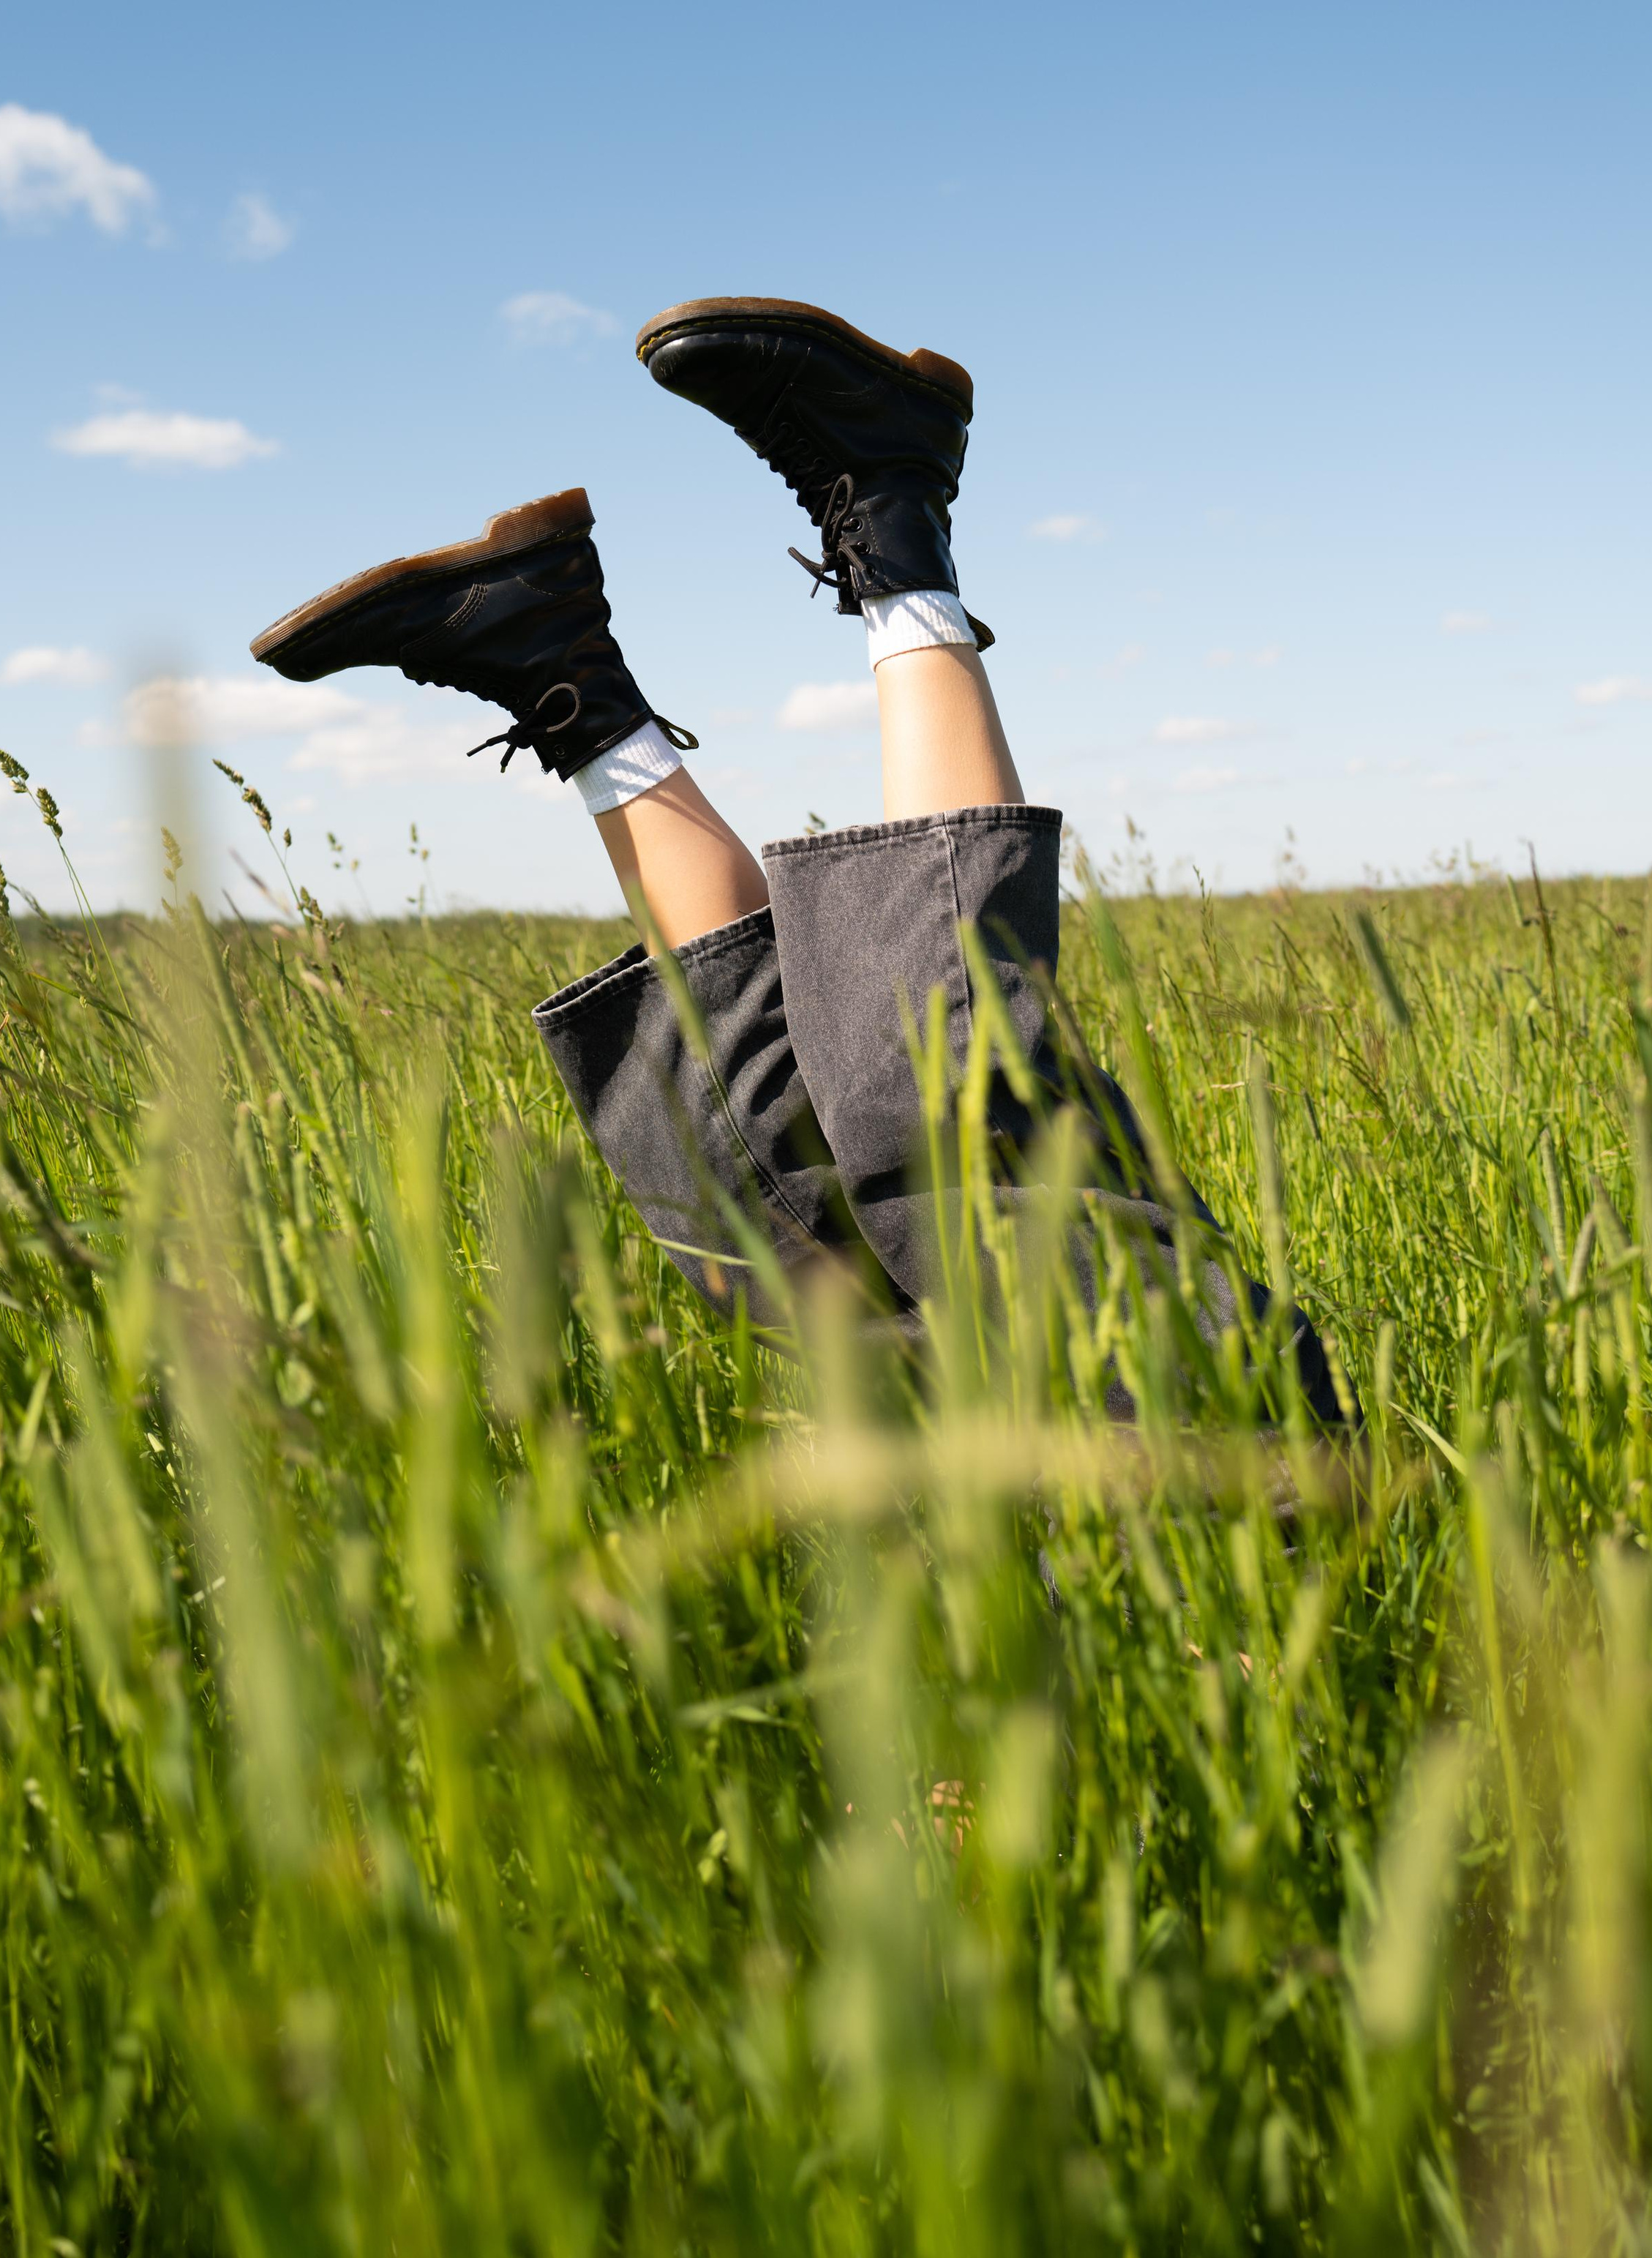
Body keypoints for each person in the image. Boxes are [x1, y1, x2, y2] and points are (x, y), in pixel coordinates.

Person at [250, 293, 1346, 1422]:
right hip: (1216, 1439)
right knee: (956, 1137)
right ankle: (893, 501)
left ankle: (559, 673)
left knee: (746, 1199)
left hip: (1017, 1513)